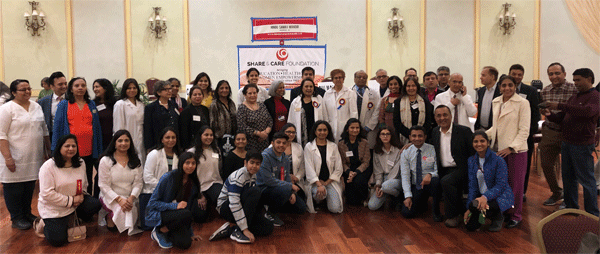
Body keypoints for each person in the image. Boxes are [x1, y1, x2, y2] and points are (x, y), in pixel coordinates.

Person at [543, 68, 599, 216]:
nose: (575, 83)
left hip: (582, 144)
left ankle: (592, 214)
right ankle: (571, 208)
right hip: (567, 142)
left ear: (589, 79)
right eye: (574, 80)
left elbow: (587, 112)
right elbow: (562, 118)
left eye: (578, 80)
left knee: (587, 181)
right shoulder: (574, 96)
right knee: (568, 178)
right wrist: (549, 115)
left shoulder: (595, 96)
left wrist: (559, 105)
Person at [0, 79, 50, 230]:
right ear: (14, 92)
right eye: (23, 89)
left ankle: (27, 213)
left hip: (34, 156)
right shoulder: (7, 109)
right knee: (14, 188)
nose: (27, 92)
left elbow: (44, 130)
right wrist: (8, 157)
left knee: (29, 186)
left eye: (29, 88)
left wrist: (48, 151)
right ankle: (16, 217)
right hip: (14, 156)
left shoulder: (36, 106)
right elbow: (1, 134)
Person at [37, 135, 102, 247]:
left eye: (73, 146)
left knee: (95, 204)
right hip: (54, 207)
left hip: (75, 202)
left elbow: (84, 183)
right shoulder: (48, 167)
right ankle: (42, 223)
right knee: (58, 241)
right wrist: (71, 200)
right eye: (67, 146)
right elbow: (47, 194)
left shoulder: (80, 162)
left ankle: (70, 217)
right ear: (59, 148)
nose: (71, 148)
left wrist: (81, 196)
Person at [486, 75, 531, 228]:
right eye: (504, 85)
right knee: (502, 184)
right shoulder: (496, 101)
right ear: (499, 87)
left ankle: (516, 215)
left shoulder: (523, 103)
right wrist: (481, 136)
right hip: (498, 150)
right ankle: (505, 212)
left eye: (510, 85)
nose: (507, 88)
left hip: (516, 151)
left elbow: (524, 130)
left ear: (515, 86)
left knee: (515, 185)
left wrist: (512, 148)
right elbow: (495, 127)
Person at [52, 77, 103, 197]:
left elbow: (97, 128)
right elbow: (57, 128)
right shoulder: (64, 104)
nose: (80, 88)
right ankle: (72, 205)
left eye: (83, 85)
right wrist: (55, 149)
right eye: (77, 86)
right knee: (71, 179)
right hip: (71, 150)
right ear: (71, 88)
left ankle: (87, 206)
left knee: (88, 179)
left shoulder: (91, 104)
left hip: (89, 149)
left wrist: (99, 149)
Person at [210, 151, 274, 243]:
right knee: (255, 191)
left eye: (257, 164)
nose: (254, 166)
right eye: (252, 162)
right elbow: (234, 204)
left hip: (241, 206)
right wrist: (244, 229)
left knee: (268, 227)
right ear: (245, 163)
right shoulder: (238, 177)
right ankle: (239, 231)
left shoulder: (253, 175)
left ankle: (231, 230)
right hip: (226, 207)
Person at [145, 152, 204, 249]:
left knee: (185, 244)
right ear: (181, 163)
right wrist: (175, 206)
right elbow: (153, 203)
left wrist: (191, 234)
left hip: (179, 216)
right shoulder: (168, 177)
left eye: (193, 163)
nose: (190, 166)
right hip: (161, 213)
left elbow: (187, 209)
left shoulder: (193, 182)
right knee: (186, 213)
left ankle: (168, 231)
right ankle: (159, 231)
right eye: (187, 163)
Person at [538, 62, 577, 206]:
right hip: (549, 131)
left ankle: (569, 198)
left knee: (569, 168)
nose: (554, 76)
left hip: (568, 133)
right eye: (550, 74)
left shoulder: (574, 89)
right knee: (546, 165)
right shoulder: (545, 91)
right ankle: (556, 192)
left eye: (557, 73)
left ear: (565, 74)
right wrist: (544, 112)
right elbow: (545, 111)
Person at [430, 105, 474, 225]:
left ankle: (452, 216)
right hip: (442, 168)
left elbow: (472, 153)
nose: (442, 118)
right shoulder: (434, 132)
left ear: (451, 116)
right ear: (435, 118)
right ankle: (449, 211)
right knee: (436, 180)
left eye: (445, 115)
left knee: (446, 181)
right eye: (438, 115)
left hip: (461, 168)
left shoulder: (464, 131)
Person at [464, 131, 514, 232]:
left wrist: (485, 197)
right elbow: (472, 185)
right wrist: (469, 208)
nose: (479, 144)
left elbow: (501, 185)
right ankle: (482, 215)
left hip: (499, 197)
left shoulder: (498, 160)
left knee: (483, 206)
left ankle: (498, 216)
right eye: (475, 141)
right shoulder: (471, 160)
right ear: (472, 144)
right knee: (470, 226)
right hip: (481, 197)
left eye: (482, 141)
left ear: (488, 143)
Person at [97, 130, 143, 235]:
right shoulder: (106, 160)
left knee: (127, 218)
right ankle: (109, 216)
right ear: (114, 143)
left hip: (129, 197)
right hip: (111, 196)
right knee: (115, 225)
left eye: (126, 140)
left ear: (130, 143)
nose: (123, 143)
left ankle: (116, 217)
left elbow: (138, 183)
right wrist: (119, 199)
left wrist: (131, 198)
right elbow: (103, 185)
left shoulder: (135, 160)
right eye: (120, 140)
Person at [257, 132, 307, 226]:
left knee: (301, 208)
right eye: (278, 142)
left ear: (287, 144)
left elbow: (287, 177)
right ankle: (270, 213)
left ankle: (276, 206)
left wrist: (291, 192)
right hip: (263, 189)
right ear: (272, 143)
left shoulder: (285, 158)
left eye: (284, 143)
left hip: (281, 189)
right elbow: (268, 181)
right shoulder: (265, 157)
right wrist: (289, 186)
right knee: (286, 189)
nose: (281, 145)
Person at [508, 64, 541, 199]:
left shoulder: (531, 91)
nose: (516, 77)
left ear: (523, 76)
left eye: (519, 74)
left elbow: (535, 115)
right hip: (507, 135)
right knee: (507, 166)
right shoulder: (503, 89)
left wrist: (528, 133)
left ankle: (522, 192)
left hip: (525, 136)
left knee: (524, 166)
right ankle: (508, 191)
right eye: (514, 74)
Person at [140, 127, 181, 230]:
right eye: (167, 137)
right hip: (152, 192)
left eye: (173, 137)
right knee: (149, 226)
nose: (170, 140)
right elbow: (147, 177)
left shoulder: (179, 156)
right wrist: (163, 189)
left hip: (171, 194)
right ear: (162, 139)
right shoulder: (154, 154)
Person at [400, 126, 439, 219]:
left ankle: (436, 212)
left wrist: (430, 174)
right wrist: (408, 196)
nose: (417, 138)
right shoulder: (406, 152)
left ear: (425, 137)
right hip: (416, 185)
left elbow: (438, 170)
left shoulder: (432, 149)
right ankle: (422, 203)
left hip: (430, 183)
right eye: (414, 136)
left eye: (420, 136)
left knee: (436, 181)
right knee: (407, 213)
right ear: (409, 137)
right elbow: (405, 175)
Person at [304, 121, 344, 213]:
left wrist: (325, 183)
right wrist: (319, 184)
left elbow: (338, 168)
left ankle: (327, 199)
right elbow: (308, 168)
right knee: (319, 195)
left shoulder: (333, 146)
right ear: (315, 131)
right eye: (319, 130)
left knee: (335, 209)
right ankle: (318, 201)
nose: (322, 132)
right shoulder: (309, 147)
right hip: (315, 182)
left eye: (325, 130)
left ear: (328, 131)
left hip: (329, 181)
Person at [338, 118, 372, 206]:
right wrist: (349, 172)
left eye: (357, 128)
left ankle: (366, 196)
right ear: (347, 129)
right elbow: (342, 162)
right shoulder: (341, 144)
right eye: (352, 128)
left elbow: (366, 162)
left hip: (361, 169)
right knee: (352, 201)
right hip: (348, 170)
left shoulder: (364, 142)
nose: (355, 130)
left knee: (358, 181)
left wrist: (355, 173)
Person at [368, 127, 403, 211]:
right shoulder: (377, 151)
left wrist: (383, 188)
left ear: (392, 136)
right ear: (379, 136)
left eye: (387, 134)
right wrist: (378, 185)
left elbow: (396, 170)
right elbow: (378, 170)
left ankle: (399, 196)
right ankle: (390, 195)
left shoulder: (399, 150)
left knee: (386, 186)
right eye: (382, 134)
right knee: (372, 206)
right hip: (383, 180)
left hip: (396, 178)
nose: (385, 136)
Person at [113, 78, 145, 166]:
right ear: (125, 90)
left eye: (134, 88)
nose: (132, 90)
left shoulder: (141, 104)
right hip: (127, 139)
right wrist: (122, 141)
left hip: (141, 139)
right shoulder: (120, 104)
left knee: (141, 163)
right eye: (129, 88)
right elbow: (118, 126)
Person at [394, 77, 435, 145]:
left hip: (422, 138)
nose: (411, 88)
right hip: (404, 138)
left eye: (413, 86)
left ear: (417, 87)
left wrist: (419, 136)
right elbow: (396, 122)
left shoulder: (425, 102)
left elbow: (428, 121)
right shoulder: (398, 102)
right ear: (405, 88)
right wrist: (411, 136)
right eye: (408, 86)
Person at [189, 126, 223, 207]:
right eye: (206, 135)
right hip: (198, 186)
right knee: (200, 216)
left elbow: (220, 168)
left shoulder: (216, 150)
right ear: (200, 136)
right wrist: (199, 194)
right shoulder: (192, 152)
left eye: (211, 135)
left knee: (221, 198)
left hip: (214, 183)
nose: (209, 137)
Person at [288, 78, 328, 147]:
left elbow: (325, 116)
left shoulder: (319, 99)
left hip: (316, 132)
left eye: (311, 86)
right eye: (306, 86)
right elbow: (290, 120)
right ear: (302, 88)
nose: (309, 88)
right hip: (301, 133)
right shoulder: (295, 102)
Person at [323, 69, 358, 141]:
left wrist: (352, 127)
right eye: (336, 78)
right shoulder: (327, 94)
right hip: (331, 127)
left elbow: (353, 112)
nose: (338, 79)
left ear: (343, 79)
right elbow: (325, 112)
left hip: (345, 127)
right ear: (332, 80)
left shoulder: (350, 93)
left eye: (340, 77)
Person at [143, 80, 179, 151]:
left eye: (170, 89)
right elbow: (148, 129)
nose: (169, 91)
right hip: (157, 144)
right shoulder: (150, 107)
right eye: (166, 89)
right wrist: (149, 148)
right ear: (158, 92)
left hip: (173, 143)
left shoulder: (174, 105)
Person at [237, 84, 273, 152]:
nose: (253, 95)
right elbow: (242, 126)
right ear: (245, 95)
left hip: (264, 142)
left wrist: (265, 133)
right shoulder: (242, 108)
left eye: (254, 93)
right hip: (250, 143)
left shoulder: (262, 105)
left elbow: (270, 120)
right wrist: (259, 134)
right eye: (250, 93)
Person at [280, 123, 308, 203]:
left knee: (301, 207)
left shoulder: (298, 147)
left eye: (293, 132)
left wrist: (297, 178)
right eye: (288, 132)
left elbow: (303, 167)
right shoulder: (274, 147)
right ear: (283, 132)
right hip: (280, 180)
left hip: (295, 181)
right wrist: (287, 177)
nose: (291, 134)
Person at [352, 70, 380, 146]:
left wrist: (368, 127)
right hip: (352, 128)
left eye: (364, 78)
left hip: (368, 129)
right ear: (354, 79)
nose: (362, 79)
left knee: (367, 151)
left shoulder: (374, 93)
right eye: (359, 77)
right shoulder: (348, 92)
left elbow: (377, 112)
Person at [210, 80, 237, 156]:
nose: (224, 90)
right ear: (217, 91)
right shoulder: (214, 104)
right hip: (219, 139)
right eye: (221, 88)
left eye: (226, 88)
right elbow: (212, 123)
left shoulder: (231, 103)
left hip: (232, 138)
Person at [38, 71, 68, 140]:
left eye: (65, 84)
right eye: (60, 84)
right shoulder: (43, 102)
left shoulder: (72, 100)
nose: (64, 86)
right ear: (52, 86)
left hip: (69, 136)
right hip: (52, 137)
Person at [93, 78, 117, 150]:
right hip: (99, 138)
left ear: (105, 88)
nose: (95, 89)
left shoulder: (115, 103)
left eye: (97, 87)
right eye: (94, 87)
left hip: (113, 138)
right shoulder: (93, 104)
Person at [474, 66, 500, 131]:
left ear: (492, 77)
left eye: (483, 75)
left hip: (495, 129)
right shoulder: (480, 91)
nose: (480, 77)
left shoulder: (500, 91)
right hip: (481, 128)